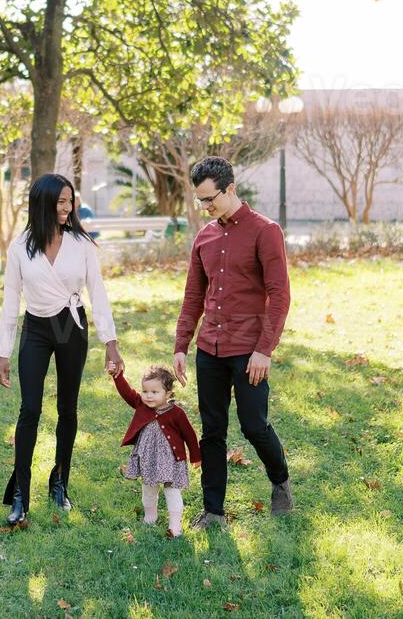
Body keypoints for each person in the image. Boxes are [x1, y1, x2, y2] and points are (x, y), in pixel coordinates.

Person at [0, 173, 124, 525]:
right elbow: (10, 299)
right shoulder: (21, 246)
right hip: (36, 328)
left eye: (71, 201)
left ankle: (60, 481)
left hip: (71, 326)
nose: (68, 208)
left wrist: (110, 344)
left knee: (68, 408)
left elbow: (97, 292)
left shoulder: (80, 244)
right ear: (43, 203)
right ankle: (20, 493)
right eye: (61, 202)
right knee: (30, 410)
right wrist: (3, 352)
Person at [173, 155, 292, 530]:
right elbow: (193, 297)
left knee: (254, 425)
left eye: (211, 199)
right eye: (200, 201)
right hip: (210, 348)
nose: (206, 207)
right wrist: (181, 345)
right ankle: (213, 512)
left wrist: (264, 350)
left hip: (248, 349)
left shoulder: (265, 231)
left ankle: (280, 481)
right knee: (212, 431)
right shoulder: (204, 237)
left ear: (231, 189)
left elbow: (280, 295)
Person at [109, 363, 201, 537]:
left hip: (171, 459)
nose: (148, 396)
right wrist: (117, 376)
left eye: (154, 392)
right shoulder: (141, 405)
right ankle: (150, 516)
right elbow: (126, 392)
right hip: (148, 458)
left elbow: (189, 435)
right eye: (145, 391)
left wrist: (196, 456)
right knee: (148, 489)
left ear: (168, 393)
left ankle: (175, 525)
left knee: (172, 490)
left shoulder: (177, 413)